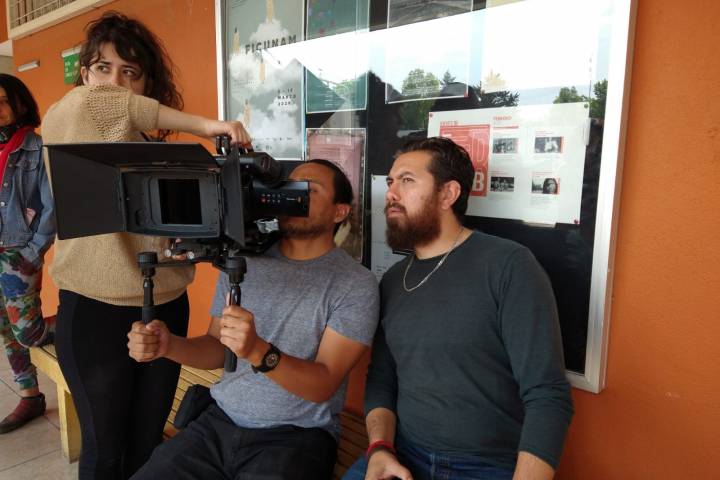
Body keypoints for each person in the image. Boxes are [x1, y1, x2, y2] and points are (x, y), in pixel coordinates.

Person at [41, 11, 250, 479]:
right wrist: (208, 125)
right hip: (95, 310)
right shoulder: (69, 113)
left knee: (148, 443)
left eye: (130, 72)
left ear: (147, 84)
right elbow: (108, 104)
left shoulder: (154, 152)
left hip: (167, 304)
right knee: (105, 450)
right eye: (103, 68)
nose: (115, 83)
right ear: (84, 75)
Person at [127, 159, 379, 479]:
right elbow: (218, 348)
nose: (294, 196)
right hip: (219, 421)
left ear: (339, 212)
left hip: (296, 436)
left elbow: (324, 384)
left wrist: (258, 351)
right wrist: (168, 345)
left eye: (310, 190)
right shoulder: (242, 261)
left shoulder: (355, 284)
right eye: (290, 187)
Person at [344, 137, 573, 480]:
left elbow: (548, 394)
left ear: (448, 194)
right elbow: (381, 379)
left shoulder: (508, 266)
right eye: (391, 182)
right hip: (402, 454)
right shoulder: (392, 281)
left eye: (407, 180)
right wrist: (380, 448)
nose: (391, 193)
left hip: (485, 466)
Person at [0, 74, 55, 434]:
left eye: (3, 100)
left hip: (18, 252)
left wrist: (34, 252)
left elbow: (53, 206)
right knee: (5, 328)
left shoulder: (37, 148)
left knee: (28, 332)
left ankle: (80, 319)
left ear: (19, 103)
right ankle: (30, 396)